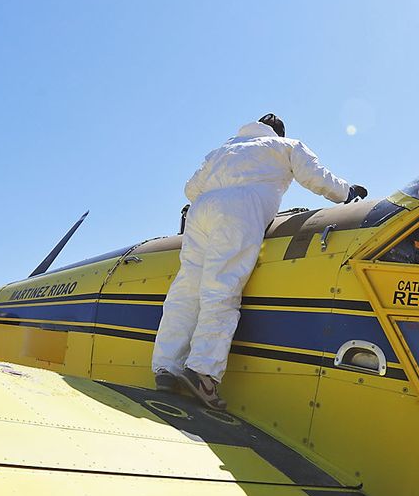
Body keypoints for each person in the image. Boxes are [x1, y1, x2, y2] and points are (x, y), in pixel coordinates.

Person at [153, 113, 366, 409]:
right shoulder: (284, 146)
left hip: (200, 211)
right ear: (278, 132)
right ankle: (202, 372)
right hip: (241, 209)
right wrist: (347, 192)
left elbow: (190, 189)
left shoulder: (221, 151)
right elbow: (313, 175)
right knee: (221, 287)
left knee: (186, 288)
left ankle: (166, 368)